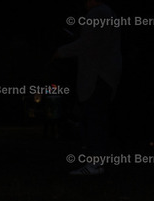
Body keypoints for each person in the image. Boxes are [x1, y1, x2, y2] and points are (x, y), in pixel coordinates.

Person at [53, 0, 122, 175]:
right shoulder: (108, 13)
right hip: (105, 75)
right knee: (96, 118)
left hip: (97, 76)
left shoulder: (98, 13)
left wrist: (63, 51)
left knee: (94, 119)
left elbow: (87, 43)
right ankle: (95, 161)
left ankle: (95, 163)